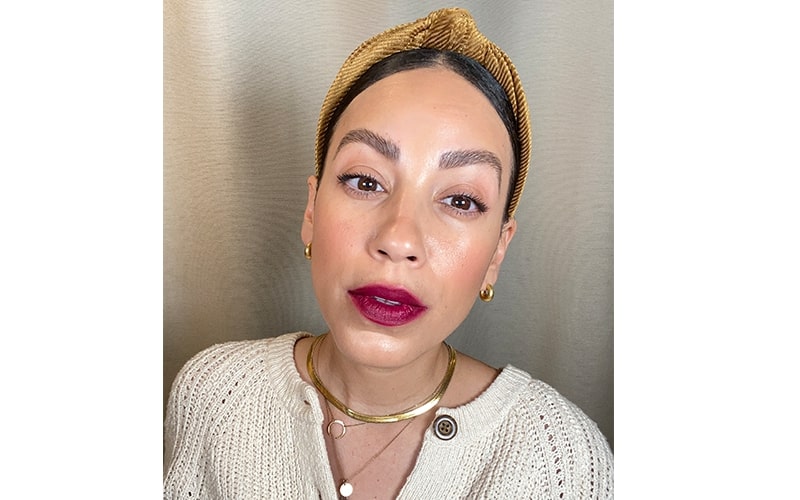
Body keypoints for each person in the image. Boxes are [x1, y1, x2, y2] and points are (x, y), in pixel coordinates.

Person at [164, 7, 613, 499]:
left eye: (461, 200)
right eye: (365, 181)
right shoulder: (214, 395)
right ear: (312, 210)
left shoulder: (559, 460)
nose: (398, 239)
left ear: (497, 253)